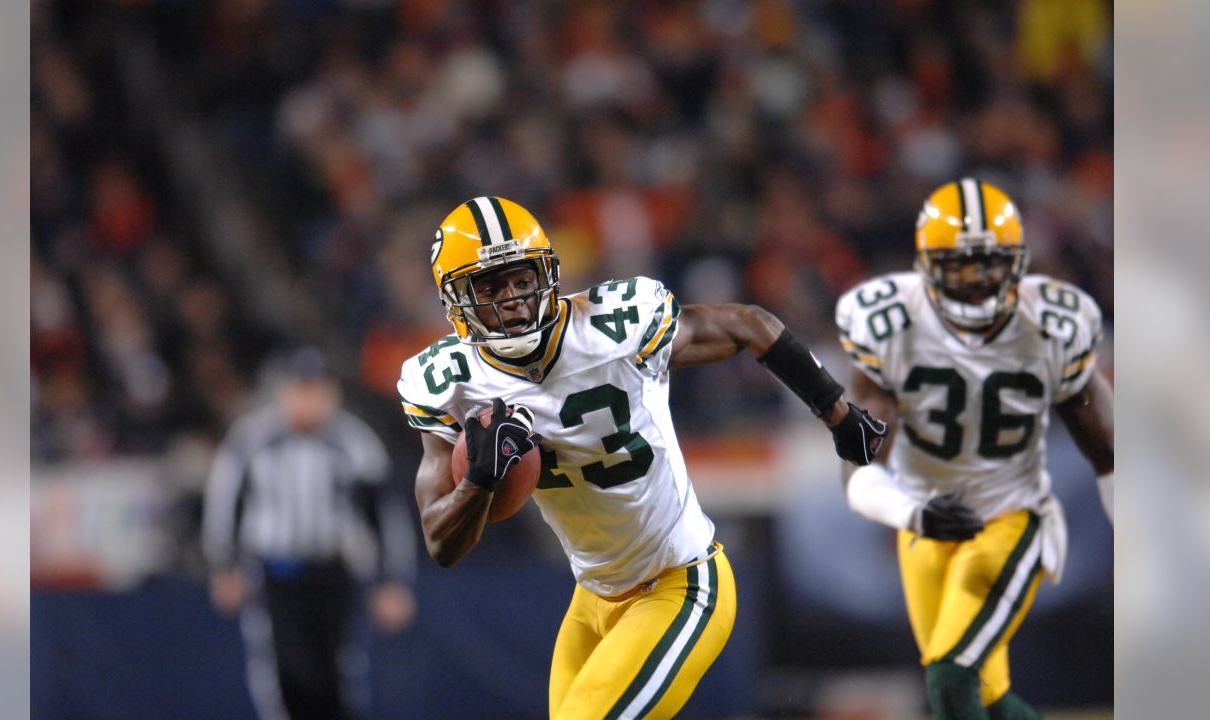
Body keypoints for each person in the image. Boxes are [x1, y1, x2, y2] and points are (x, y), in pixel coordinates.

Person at [397, 196, 888, 719]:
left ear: (548, 273)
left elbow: (748, 324)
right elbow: (442, 544)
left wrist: (839, 413)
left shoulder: (615, 327)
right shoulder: (448, 382)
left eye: (521, 279)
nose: (513, 299)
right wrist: (479, 481)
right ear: (455, 300)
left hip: (681, 581)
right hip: (593, 599)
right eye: (489, 287)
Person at [835, 178, 1114, 720]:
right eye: (961, 265)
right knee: (984, 696)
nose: (979, 279)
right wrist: (914, 512)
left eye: (991, 262)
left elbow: (1109, 453)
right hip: (923, 525)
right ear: (927, 265)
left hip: (1009, 517)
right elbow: (858, 467)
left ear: (1019, 261)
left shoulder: (1053, 324)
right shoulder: (887, 322)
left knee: (950, 677)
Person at [203, 347, 418, 720]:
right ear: (282, 392)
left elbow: (383, 513)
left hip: (336, 572)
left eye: (315, 389)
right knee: (285, 674)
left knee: (338, 674)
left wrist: (393, 580)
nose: (307, 400)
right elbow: (225, 504)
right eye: (300, 389)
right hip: (276, 575)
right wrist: (224, 566)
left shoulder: (353, 442)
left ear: (331, 393)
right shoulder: (253, 439)